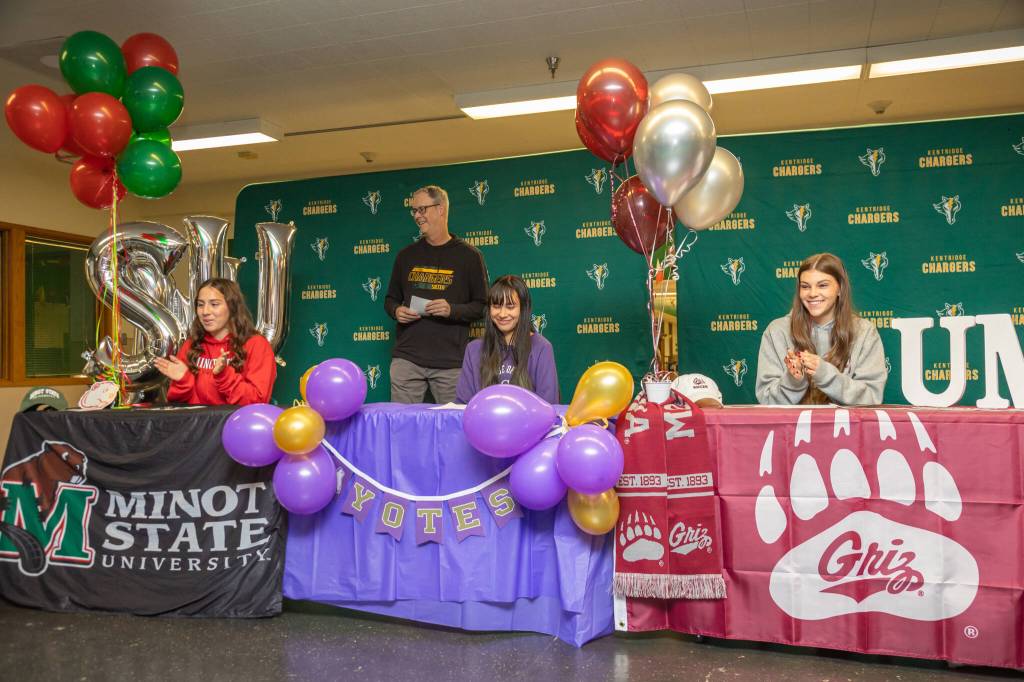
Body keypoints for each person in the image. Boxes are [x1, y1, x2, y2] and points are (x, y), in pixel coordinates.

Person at [384, 184, 489, 404]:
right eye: (414, 211)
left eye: (422, 209)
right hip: (407, 360)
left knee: (453, 423)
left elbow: (482, 306)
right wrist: (397, 311)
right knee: (402, 422)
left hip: (451, 364)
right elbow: (390, 300)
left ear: (441, 209)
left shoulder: (470, 256)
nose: (417, 216)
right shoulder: (405, 256)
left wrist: (452, 310)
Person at [756, 253, 886, 406]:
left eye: (822, 285)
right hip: (792, 423)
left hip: (845, 423)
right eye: (805, 286)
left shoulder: (864, 332)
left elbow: (871, 398)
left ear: (840, 288)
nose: (812, 293)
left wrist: (825, 374)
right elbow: (766, 400)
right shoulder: (777, 331)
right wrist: (794, 380)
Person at [155, 278, 277, 405]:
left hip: (235, 419)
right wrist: (183, 380)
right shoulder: (191, 345)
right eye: (200, 305)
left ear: (232, 307)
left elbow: (257, 401)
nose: (205, 312)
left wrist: (224, 375)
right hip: (199, 419)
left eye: (214, 304)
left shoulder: (256, 345)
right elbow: (182, 408)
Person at [456, 275, 559, 404]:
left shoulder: (541, 348)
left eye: (510, 307)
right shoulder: (474, 349)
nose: (502, 314)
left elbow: (549, 406)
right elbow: (462, 405)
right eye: (496, 306)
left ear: (523, 309)